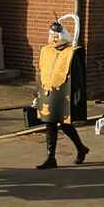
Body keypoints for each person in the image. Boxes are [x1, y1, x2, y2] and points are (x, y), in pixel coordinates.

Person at [34, 19, 89, 169]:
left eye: (55, 35)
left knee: (65, 125)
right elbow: (42, 71)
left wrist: (78, 96)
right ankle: (51, 157)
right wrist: (37, 92)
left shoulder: (72, 53)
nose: (52, 38)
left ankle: (81, 148)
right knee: (49, 123)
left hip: (65, 93)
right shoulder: (46, 50)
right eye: (51, 35)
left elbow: (77, 77)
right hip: (48, 92)